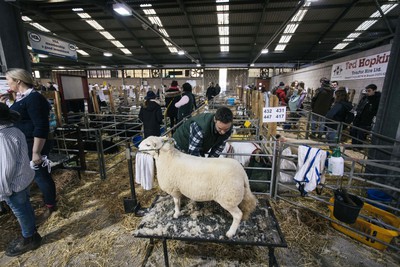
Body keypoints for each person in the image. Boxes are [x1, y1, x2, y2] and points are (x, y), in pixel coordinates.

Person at [1, 68, 56, 221]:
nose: (7, 83)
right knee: (36, 174)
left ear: (18, 81)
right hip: (25, 143)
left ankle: (51, 206)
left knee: (41, 176)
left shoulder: (34, 98)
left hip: (34, 143)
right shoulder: (21, 98)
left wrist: (36, 152)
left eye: (9, 80)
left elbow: (41, 126)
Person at [0, 103, 42, 256]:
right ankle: (32, 233)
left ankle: (29, 238)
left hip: (13, 184)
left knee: (21, 211)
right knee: (25, 208)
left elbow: (7, 167)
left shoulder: (3, 137)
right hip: (23, 179)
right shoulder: (15, 131)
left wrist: (3, 190)